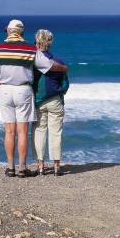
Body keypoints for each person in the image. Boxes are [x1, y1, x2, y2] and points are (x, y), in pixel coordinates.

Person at [0, 20, 68, 178]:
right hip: (23, 90)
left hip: (5, 90)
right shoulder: (30, 49)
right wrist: (64, 68)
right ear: (22, 33)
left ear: (7, 31)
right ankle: (22, 168)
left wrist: (3, 87)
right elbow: (49, 65)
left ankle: (10, 168)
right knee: (22, 131)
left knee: (9, 131)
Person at [32, 29, 69, 176]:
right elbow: (66, 84)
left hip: (38, 101)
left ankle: (40, 166)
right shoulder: (58, 61)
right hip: (55, 100)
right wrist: (59, 92)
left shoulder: (32, 62)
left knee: (39, 130)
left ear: (37, 41)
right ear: (50, 42)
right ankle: (56, 166)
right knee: (56, 132)